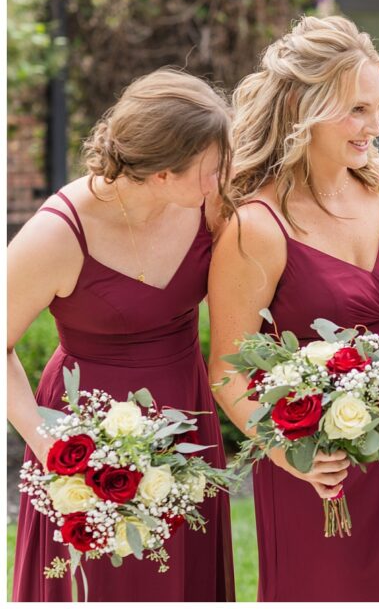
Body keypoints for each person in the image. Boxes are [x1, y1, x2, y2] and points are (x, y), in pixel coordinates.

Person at [207, 15, 379, 601]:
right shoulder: (257, 225)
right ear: (304, 107)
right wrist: (291, 454)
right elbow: (228, 370)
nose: (374, 127)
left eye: (378, 107)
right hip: (318, 457)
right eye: (356, 110)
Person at [8, 69, 235, 601]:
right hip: (89, 426)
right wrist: (52, 444)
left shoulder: (210, 203)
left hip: (188, 411)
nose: (219, 178)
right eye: (207, 169)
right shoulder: (58, 234)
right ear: (161, 173)